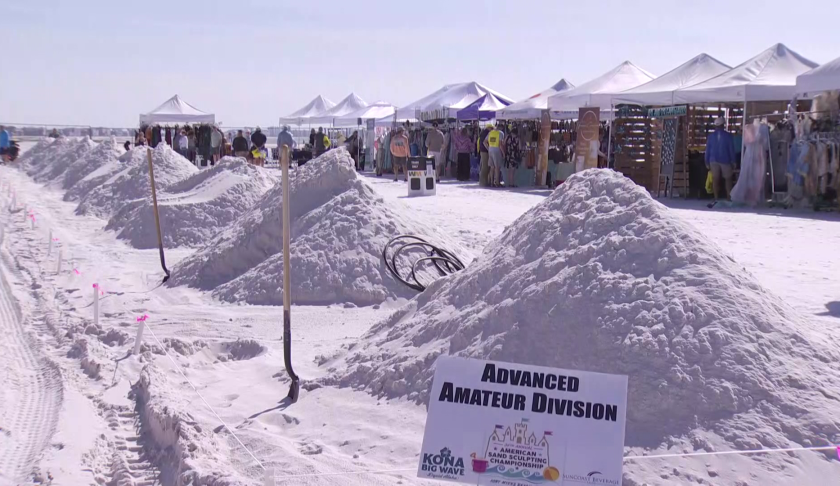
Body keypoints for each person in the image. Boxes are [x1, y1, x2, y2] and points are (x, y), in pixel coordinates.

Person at [705, 117, 736, 203]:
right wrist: (733, 161)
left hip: (713, 159)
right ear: (723, 125)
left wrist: (706, 161)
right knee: (728, 178)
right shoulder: (728, 136)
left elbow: (707, 149)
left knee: (715, 179)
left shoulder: (711, 136)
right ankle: (728, 197)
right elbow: (731, 149)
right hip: (725, 159)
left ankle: (716, 197)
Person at [484, 123, 505, 187]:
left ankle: (491, 182)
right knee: (497, 167)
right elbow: (500, 145)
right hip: (497, 150)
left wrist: (488, 148)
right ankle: (497, 182)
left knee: (492, 167)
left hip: (490, 150)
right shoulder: (501, 133)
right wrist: (503, 153)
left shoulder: (490, 133)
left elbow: (484, 142)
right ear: (501, 128)